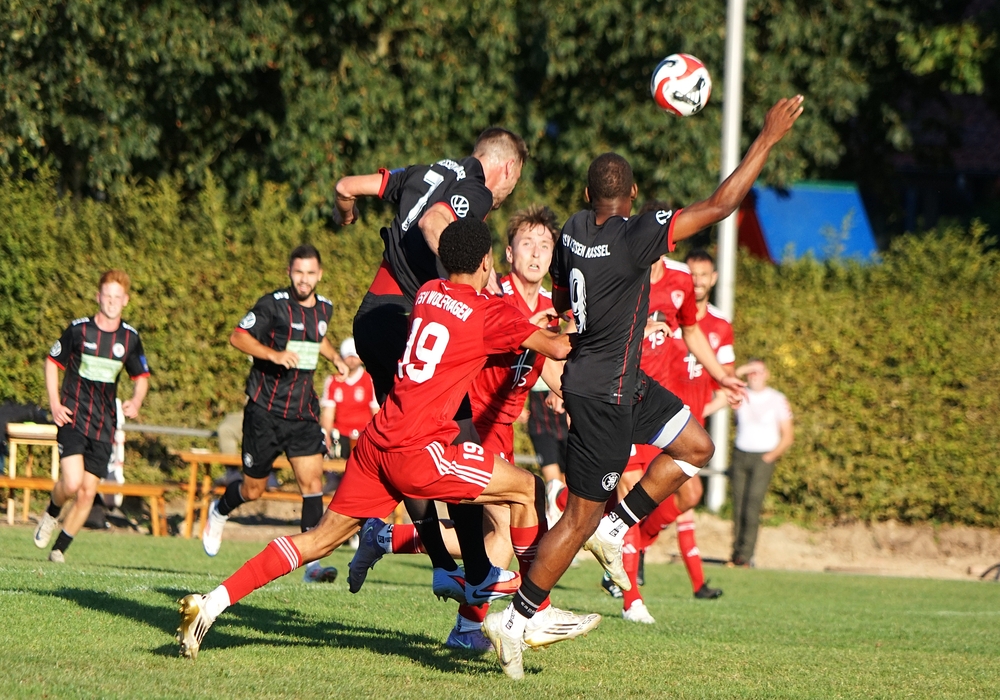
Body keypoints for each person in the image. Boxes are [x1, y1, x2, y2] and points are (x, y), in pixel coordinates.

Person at [484, 95, 804, 679]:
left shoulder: (572, 230)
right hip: (605, 395)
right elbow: (722, 204)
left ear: (587, 195)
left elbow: (564, 298)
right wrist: (766, 138)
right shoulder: (639, 235)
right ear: (632, 196)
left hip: (622, 383)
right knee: (576, 520)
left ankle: (618, 525)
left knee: (696, 447)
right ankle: (517, 616)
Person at [176, 218, 582, 660]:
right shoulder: (490, 312)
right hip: (419, 449)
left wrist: (522, 326)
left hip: (377, 443)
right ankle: (535, 612)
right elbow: (559, 349)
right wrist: (584, 319)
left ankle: (211, 604)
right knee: (528, 489)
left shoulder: (428, 293)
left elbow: (464, 332)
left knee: (319, 540)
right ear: (487, 261)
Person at [349, 205, 598, 652]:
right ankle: (517, 616)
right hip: (471, 424)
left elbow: (549, 364)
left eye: (545, 245)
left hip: (504, 428)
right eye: (527, 243)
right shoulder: (491, 297)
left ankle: (397, 549)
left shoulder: (548, 309)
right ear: (505, 255)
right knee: (506, 525)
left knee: (499, 534)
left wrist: (570, 397)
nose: (537, 253)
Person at [334, 128, 527, 599]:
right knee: (458, 434)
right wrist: (463, 277)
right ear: (507, 168)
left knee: (405, 441)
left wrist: (346, 214)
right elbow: (434, 220)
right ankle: (476, 570)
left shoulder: (424, 171)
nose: (508, 192)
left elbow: (345, 186)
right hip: (405, 319)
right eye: (515, 181)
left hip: (373, 320)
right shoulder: (478, 188)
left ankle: (442, 565)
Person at [200, 245, 347, 585]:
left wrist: (334, 358)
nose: (304, 279)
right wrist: (273, 354)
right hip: (265, 412)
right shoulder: (273, 305)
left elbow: (317, 336)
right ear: (289, 272)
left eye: (310, 273)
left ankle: (311, 565)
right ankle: (219, 511)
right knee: (253, 490)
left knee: (312, 485)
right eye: (298, 272)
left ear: (320, 275)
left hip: (302, 413)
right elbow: (238, 337)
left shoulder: (325, 308)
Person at [619, 248, 736, 611]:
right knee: (626, 490)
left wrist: (722, 384)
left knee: (687, 495)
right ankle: (631, 598)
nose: (696, 281)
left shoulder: (716, 323)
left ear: (713, 279)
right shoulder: (632, 280)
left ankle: (637, 544)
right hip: (639, 404)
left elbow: (715, 366)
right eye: (693, 274)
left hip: (676, 418)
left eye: (704, 275)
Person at [34, 270, 151, 562]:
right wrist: (55, 403)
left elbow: (141, 377)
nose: (111, 301)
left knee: (88, 492)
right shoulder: (79, 330)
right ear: (98, 297)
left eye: (117, 297)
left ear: (125, 300)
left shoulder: (130, 338)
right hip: (73, 416)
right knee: (72, 483)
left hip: (104, 424)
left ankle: (59, 550)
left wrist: (136, 401)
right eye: (107, 295)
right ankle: (51, 513)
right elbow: (52, 362)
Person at [730, 359, 794, 567]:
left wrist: (771, 455)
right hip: (741, 454)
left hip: (763, 457)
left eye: (759, 372)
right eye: (751, 372)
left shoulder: (777, 399)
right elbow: (726, 382)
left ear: (767, 374)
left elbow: (788, 435)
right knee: (738, 507)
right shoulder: (740, 394)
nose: (754, 375)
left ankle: (746, 555)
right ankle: (735, 554)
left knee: (752, 506)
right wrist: (742, 370)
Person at [320, 337, 378, 461]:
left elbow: (376, 412)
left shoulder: (370, 379)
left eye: (354, 356)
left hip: (364, 434)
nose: (351, 360)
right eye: (348, 356)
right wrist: (326, 435)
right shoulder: (333, 381)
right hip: (340, 434)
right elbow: (328, 414)